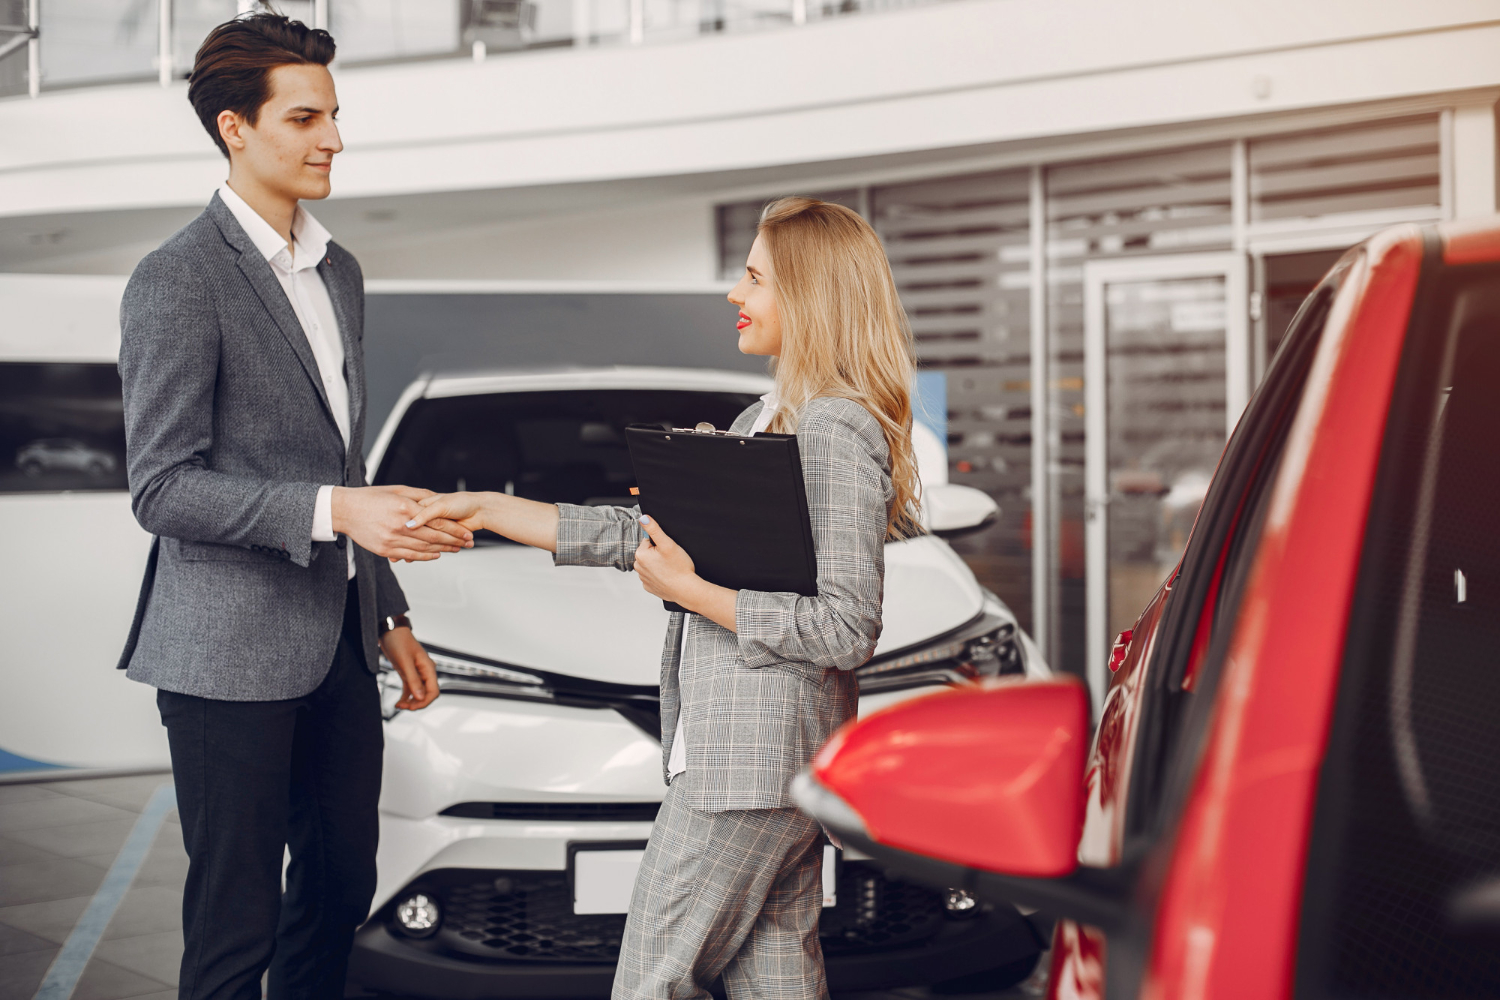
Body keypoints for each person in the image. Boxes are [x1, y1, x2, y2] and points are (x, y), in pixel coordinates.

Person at [406, 197, 922, 1000]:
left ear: (811, 296)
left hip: (744, 772)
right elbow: (639, 535)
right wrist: (490, 509)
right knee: (776, 986)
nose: (734, 294)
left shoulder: (832, 429)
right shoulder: (767, 419)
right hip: (774, 770)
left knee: (649, 983)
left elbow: (847, 628)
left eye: (753, 277)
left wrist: (694, 593)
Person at [115, 14, 472, 1000]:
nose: (334, 139)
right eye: (306, 117)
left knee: (339, 888)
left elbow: (344, 463)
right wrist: (333, 514)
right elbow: (162, 485)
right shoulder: (177, 279)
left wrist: (388, 609)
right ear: (236, 127)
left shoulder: (338, 270)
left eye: (335, 114)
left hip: (341, 645)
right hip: (227, 655)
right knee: (234, 918)